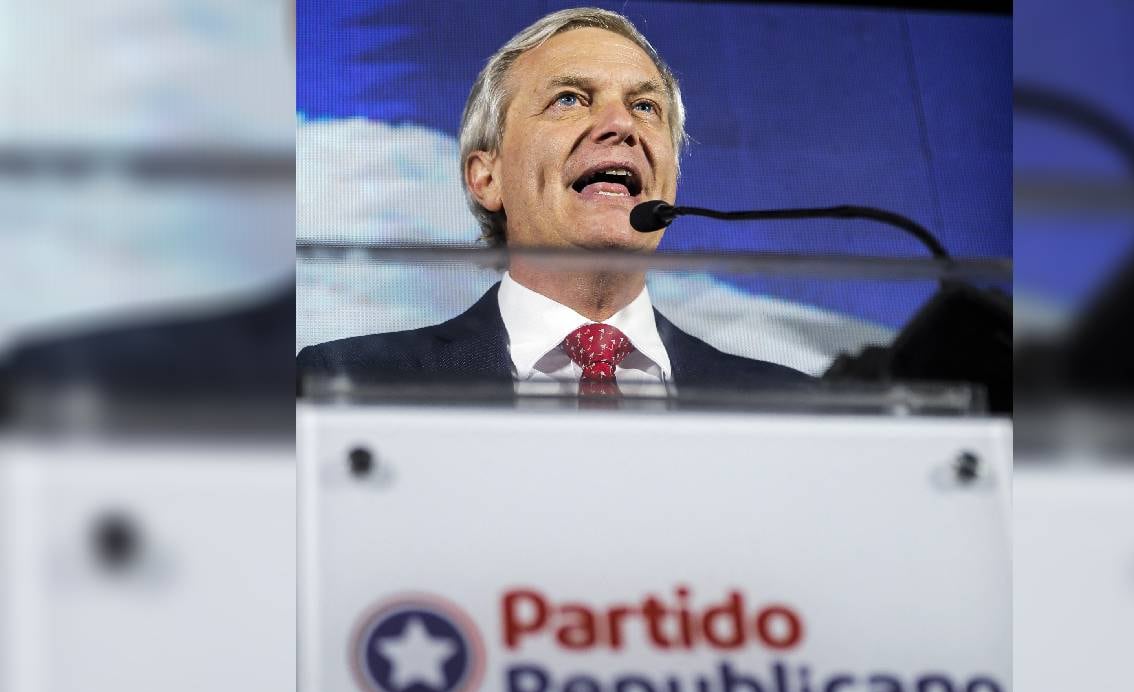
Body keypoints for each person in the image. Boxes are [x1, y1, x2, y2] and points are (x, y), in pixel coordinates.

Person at [296, 7, 810, 399]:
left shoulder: (786, 404)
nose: (622, 125)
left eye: (645, 106)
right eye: (570, 98)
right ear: (486, 177)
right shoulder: (350, 383)